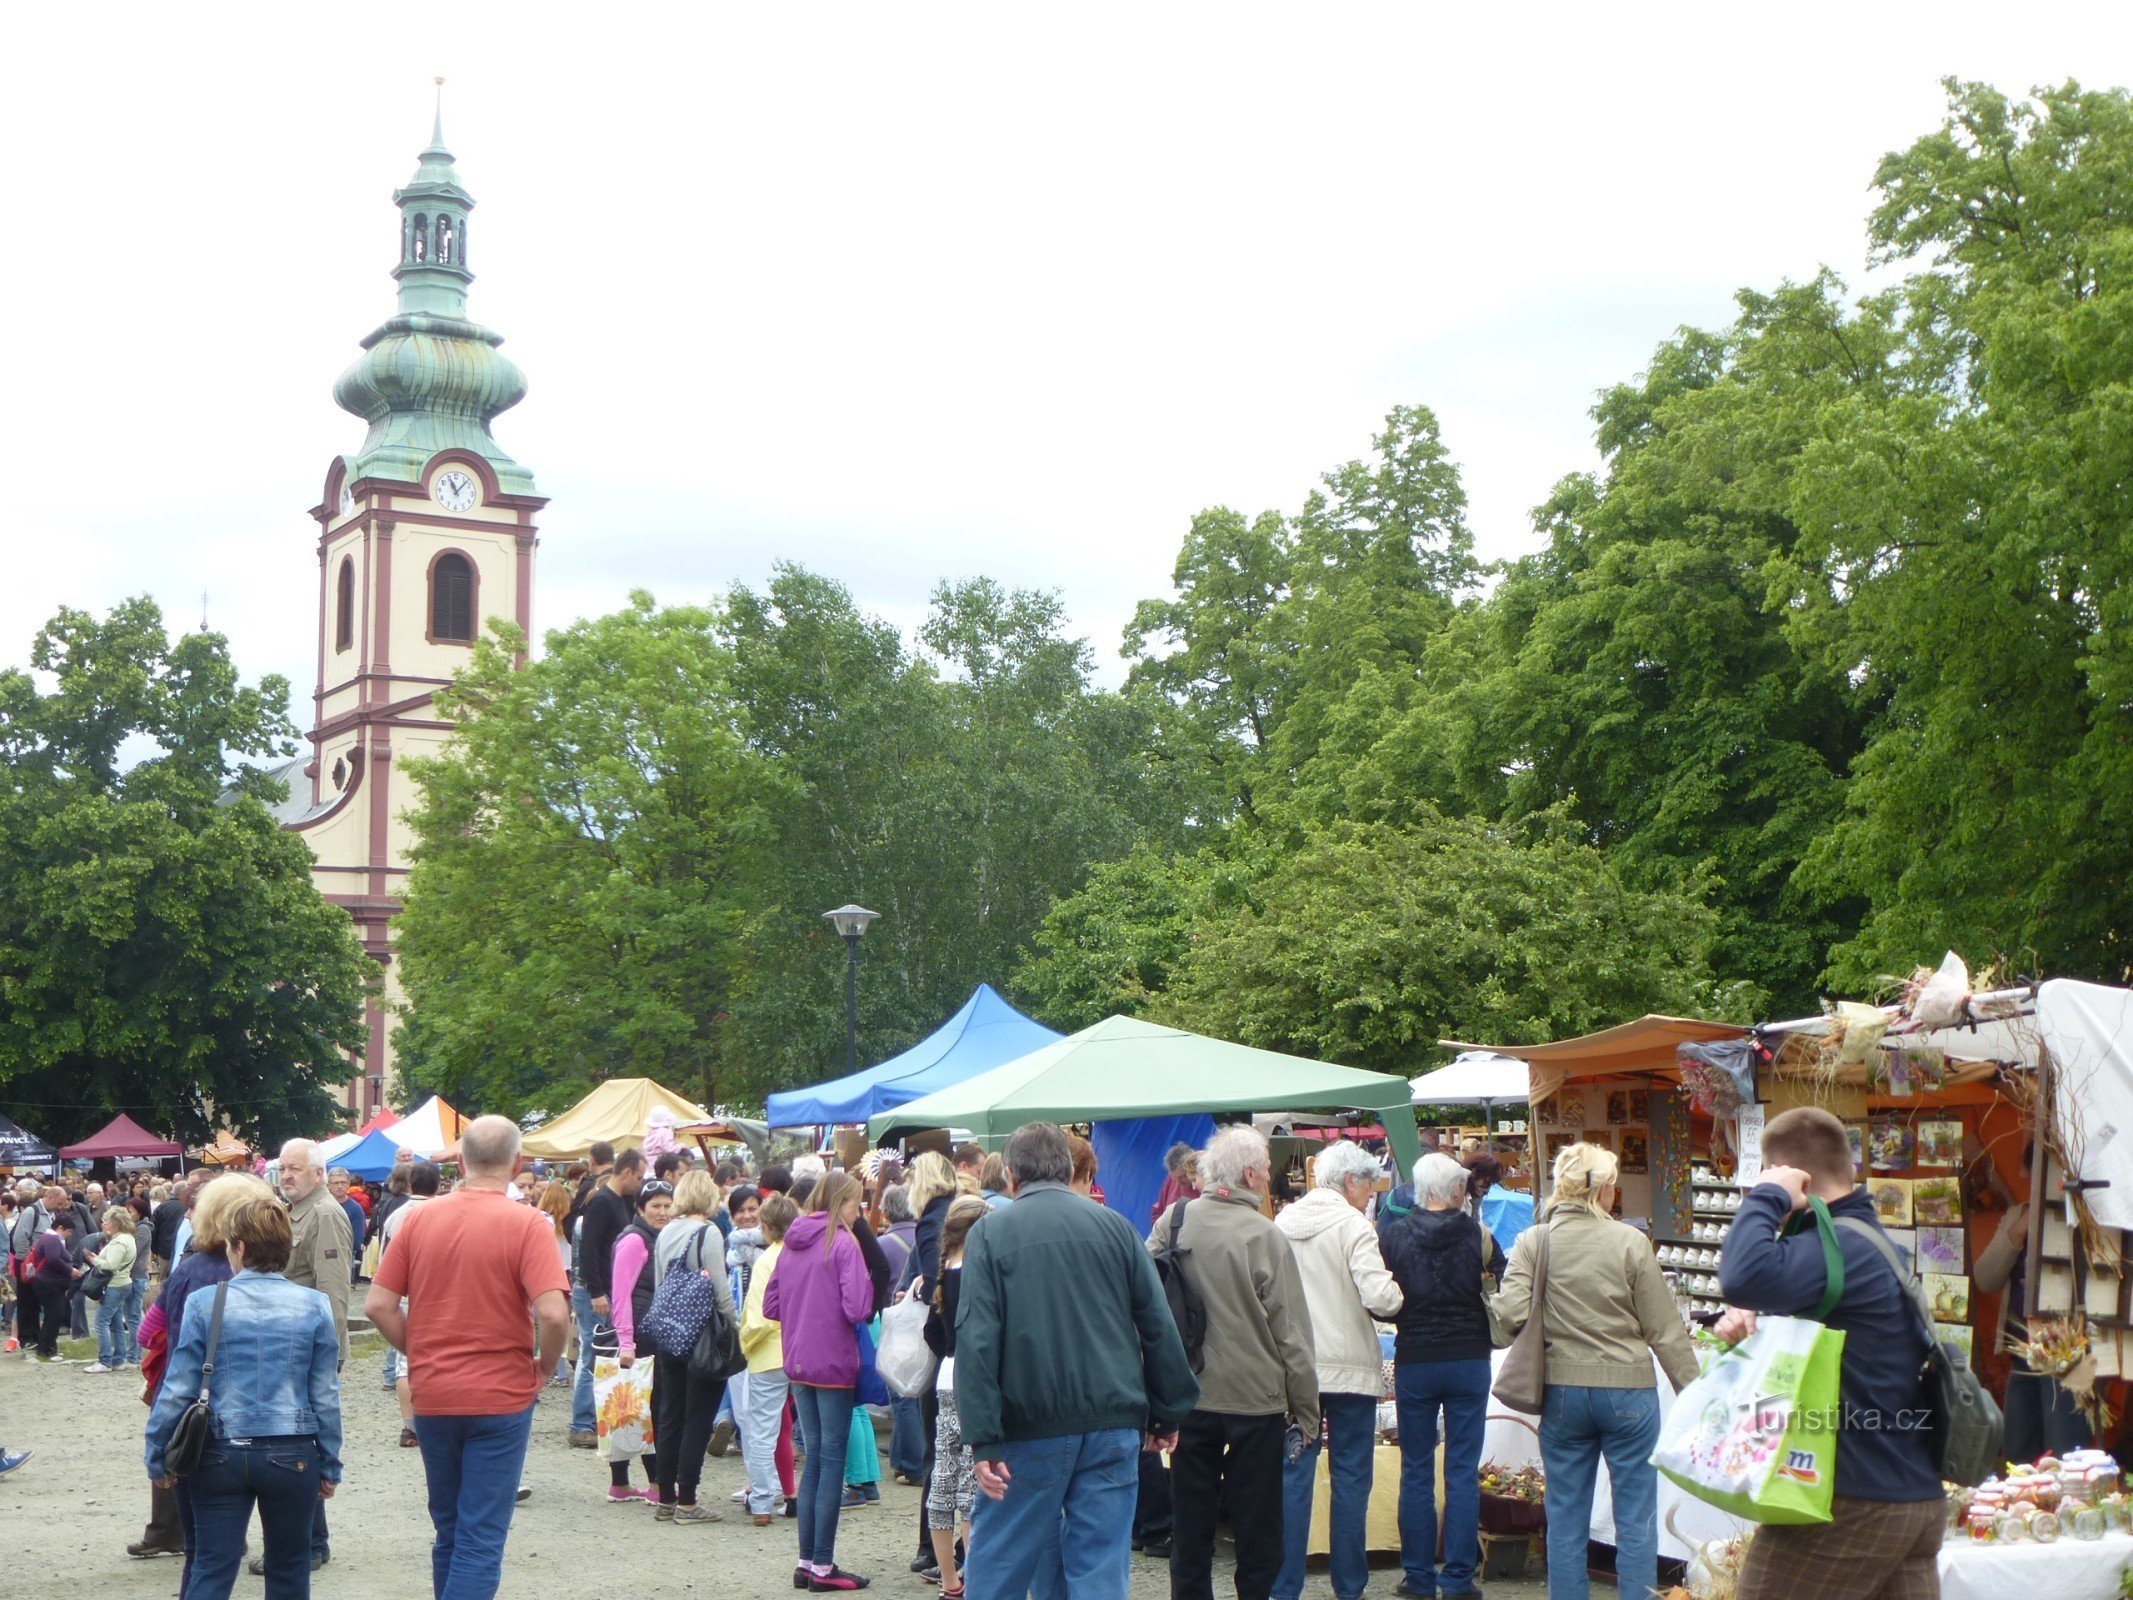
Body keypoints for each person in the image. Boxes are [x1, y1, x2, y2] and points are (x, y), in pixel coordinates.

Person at [956, 1121, 1199, 1600]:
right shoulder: (1117, 1229)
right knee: (1100, 1569)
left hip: (1030, 1426)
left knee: (1000, 1563)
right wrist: (1168, 1409)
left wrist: (983, 1439)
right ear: (1070, 1169)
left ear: (1010, 1175)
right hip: (1112, 1421)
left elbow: (976, 1340)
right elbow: (1157, 1323)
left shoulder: (989, 1234)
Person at [1714, 1107, 1942, 1600]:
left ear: (1797, 1179)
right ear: (1853, 1169)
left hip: (1852, 1498)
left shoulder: (1838, 1246)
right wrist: (1750, 1330)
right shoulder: (1871, 1244)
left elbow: (1740, 1275)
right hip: (1910, 1495)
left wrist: (1769, 1195)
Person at [366, 1115, 571, 1600]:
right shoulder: (528, 1224)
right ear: (517, 1163)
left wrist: (422, 1349)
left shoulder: (419, 1218)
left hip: (433, 1392)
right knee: (481, 1537)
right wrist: (545, 1366)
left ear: (460, 1161)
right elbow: (555, 1316)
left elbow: (377, 1305)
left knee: (451, 1529)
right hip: (501, 1394)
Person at [1492, 1141, 1696, 1600]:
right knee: (1636, 1518)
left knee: (1565, 1516)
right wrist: (1694, 1391)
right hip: (1629, 1392)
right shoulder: (1630, 1242)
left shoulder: (1532, 1240)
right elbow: (1664, 1330)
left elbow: (1507, 1318)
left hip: (1562, 1392)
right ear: (1603, 1190)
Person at [144, 1181, 342, 1600]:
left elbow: (178, 1388)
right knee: (289, 1569)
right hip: (292, 1450)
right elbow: (325, 1394)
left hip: (219, 1450)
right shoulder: (314, 1305)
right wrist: (329, 1463)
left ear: (236, 1247)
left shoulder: (205, 1302)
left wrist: (158, 1453)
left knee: (212, 1566)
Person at [1149, 1124, 1318, 1600]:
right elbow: (1293, 1336)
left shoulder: (1174, 1221)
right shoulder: (1264, 1235)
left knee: (1191, 1521)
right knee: (1257, 1525)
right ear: (1248, 1173)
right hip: (1255, 1400)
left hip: (1189, 1395)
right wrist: (1307, 1412)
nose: (1270, 1177)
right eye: (1267, 1169)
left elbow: (1144, 1299)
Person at [1274, 1140, 1404, 1600]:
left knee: (1293, 1476)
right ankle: (1349, 1586)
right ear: (1352, 1181)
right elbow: (1380, 1298)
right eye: (1370, 1185)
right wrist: (1400, 1295)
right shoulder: (1354, 1226)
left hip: (1294, 1370)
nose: (1372, 1194)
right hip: (1349, 1371)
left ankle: (1283, 1585)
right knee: (1351, 1477)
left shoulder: (1283, 1222)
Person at [1378, 1151, 1502, 1600]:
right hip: (1469, 1358)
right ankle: (1458, 1580)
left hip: (1416, 1357)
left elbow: (1379, 1295)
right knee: (1462, 1471)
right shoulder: (1478, 1235)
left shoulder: (1393, 1236)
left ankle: (1417, 1576)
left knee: (1415, 1469)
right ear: (1455, 1192)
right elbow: (1502, 1287)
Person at [132, 1174, 257, 1568]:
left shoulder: (189, 1268)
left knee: (180, 1466)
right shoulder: (262, 1275)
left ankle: (177, 1539)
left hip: (186, 1392)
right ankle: (230, 1543)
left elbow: (146, 1331)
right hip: (244, 1400)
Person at [763, 1170, 875, 1592]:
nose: (858, 1211)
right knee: (831, 1463)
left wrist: (804, 1310)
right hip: (832, 1363)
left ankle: (807, 1561)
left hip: (797, 1362)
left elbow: (772, 1304)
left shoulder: (792, 1241)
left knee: (813, 1462)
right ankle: (823, 1567)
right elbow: (857, 1306)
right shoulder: (842, 1243)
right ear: (842, 1202)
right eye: (855, 1203)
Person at [1975, 1142, 2092, 1461]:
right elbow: (1985, 1279)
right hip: (2023, 1357)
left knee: (2065, 1454)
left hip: (2069, 1362)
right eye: (2040, 1174)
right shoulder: (2018, 1214)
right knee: (2018, 1453)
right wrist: (2019, 1231)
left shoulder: (2087, 1219)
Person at [269, 1138, 350, 1576]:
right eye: (283, 1168)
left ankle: (310, 1543)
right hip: (290, 1345)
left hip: (309, 1348)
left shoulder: (323, 1214)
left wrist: (329, 1353)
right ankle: (312, 1540)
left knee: (299, 1445)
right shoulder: (294, 1212)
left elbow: (333, 1291)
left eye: (295, 1168)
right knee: (294, 1443)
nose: (286, 1176)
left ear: (319, 1173)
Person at [648, 1169, 729, 1523]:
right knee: (698, 1416)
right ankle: (688, 1500)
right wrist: (734, 1326)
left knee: (670, 1412)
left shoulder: (666, 1231)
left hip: (669, 1331)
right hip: (700, 1333)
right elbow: (721, 1290)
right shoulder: (708, 1232)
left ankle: (666, 1496)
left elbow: (658, 1282)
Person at [922, 1195, 990, 1596]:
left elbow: (932, 1331)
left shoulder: (945, 1270)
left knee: (944, 1481)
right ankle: (976, 1576)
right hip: (973, 1380)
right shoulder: (980, 1272)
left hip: (946, 1375)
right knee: (970, 1484)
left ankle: (950, 1580)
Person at [898, 1149, 961, 1579]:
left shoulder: (930, 1222)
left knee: (938, 1452)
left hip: (944, 1352)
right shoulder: (959, 1214)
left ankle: (931, 1548)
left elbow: (937, 1287)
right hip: (963, 1348)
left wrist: (922, 1289)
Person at [608, 1179, 675, 1502]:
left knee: (630, 1408)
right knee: (647, 1410)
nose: (663, 1212)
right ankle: (657, 1484)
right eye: (656, 1206)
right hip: (639, 1336)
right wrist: (626, 1342)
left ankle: (622, 1484)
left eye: (667, 1205)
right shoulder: (635, 1240)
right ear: (640, 1209)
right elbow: (619, 1294)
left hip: (649, 1331)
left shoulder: (655, 1237)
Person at [572, 1147, 643, 1449]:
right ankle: (581, 1422)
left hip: (610, 1288)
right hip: (596, 1290)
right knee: (593, 1354)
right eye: (638, 1177)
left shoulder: (622, 1199)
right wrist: (596, 1290)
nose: (640, 1182)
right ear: (626, 1172)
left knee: (605, 1355)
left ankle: (598, 1418)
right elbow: (587, 1248)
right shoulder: (601, 1202)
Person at [738, 1192, 801, 1525]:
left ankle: (761, 1501)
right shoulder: (805, 1255)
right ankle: (799, 1496)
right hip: (802, 1351)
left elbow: (760, 1316)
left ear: (766, 1226)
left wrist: (744, 1340)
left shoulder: (766, 1260)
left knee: (761, 1430)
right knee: (807, 1430)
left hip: (769, 1353)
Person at [381, 1161, 443, 1446]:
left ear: (408, 1185)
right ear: (439, 1185)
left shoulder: (397, 1216)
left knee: (405, 1364)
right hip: (438, 1295)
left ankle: (410, 1426)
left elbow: (385, 1260)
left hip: (404, 1294)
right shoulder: (445, 1214)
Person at [878, 1184, 926, 1486]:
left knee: (902, 1392)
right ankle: (900, 1458)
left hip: (901, 1324)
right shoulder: (927, 1236)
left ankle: (912, 1462)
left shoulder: (883, 1244)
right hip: (925, 1322)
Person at [85, 1204, 142, 1373]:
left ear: (115, 1222)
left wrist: (94, 1260)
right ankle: (118, 1360)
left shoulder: (120, 1241)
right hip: (123, 1283)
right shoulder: (128, 1238)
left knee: (101, 1323)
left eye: (108, 1221)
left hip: (115, 1285)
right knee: (116, 1323)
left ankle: (105, 1361)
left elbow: (111, 1265)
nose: (105, 1224)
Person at [26, 1210, 76, 1361]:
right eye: (68, 1231)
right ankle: (48, 1350)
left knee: (51, 1316)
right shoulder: (52, 1239)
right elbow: (53, 1259)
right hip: (49, 1284)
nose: (69, 1235)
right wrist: (70, 1270)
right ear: (60, 1228)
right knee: (54, 1316)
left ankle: (46, 1347)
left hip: (48, 1283)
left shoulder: (47, 1238)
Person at [327, 1169, 367, 1285]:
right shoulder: (320, 1206)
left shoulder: (356, 1209)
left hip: (344, 1260)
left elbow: (357, 1241)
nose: (339, 1186)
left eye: (343, 1182)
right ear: (328, 1185)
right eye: (335, 1183)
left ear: (349, 1184)